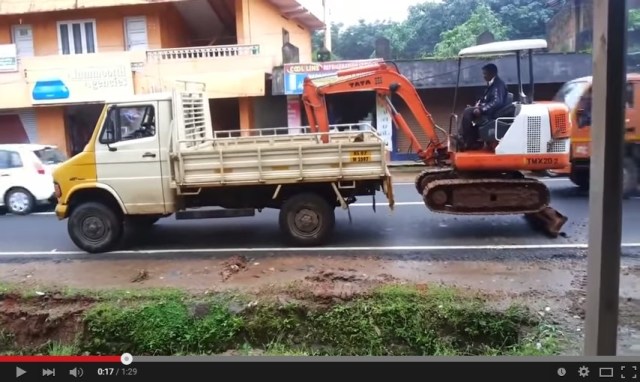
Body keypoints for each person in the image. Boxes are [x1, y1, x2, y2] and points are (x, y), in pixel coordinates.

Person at [457, 63, 509, 150]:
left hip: (494, 113)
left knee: (467, 112)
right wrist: (478, 105)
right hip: (490, 111)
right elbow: (487, 99)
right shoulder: (492, 84)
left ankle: (465, 140)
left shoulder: (498, 85)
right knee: (469, 112)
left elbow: (497, 102)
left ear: (492, 73)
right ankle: (470, 139)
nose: (484, 76)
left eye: (485, 74)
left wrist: (481, 109)